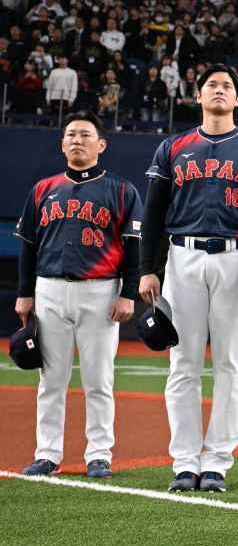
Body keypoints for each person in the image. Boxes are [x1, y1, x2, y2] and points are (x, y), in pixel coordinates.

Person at [138, 66, 238, 493]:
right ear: (198, 97)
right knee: (182, 363)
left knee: (229, 363)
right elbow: (152, 214)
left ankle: (217, 461)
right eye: (211, 86)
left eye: (227, 87)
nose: (219, 91)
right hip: (181, 257)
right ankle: (185, 461)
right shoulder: (173, 146)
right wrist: (149, 267)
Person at [14, 112, 141, 479]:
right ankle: (47, 453)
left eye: (85, 135)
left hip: (100, 292)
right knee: (50, 379)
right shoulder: (42, 189)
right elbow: (27, 248)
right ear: (62, 144)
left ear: (101, 145)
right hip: (49, 289)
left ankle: (99, 454)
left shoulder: (121, 190)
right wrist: (25, 294)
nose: (77, 140)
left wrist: (127, 294)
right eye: (70, 134)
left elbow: (133, 250)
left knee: (98, 379)